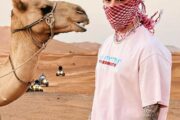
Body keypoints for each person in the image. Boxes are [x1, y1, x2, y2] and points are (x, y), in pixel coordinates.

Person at [90, 0, 172, 120]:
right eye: (108, 0)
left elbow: (151, 110)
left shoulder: (150, 50)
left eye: (120, 0)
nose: (112, 5)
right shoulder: (107, 44)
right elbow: (99, 100)